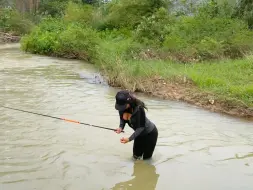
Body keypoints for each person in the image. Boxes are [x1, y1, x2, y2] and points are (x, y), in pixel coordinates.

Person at [114, 90, 158, 160]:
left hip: (150, 134)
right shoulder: (121, 107)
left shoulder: (139, 108)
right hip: (138, 134)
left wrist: (129, 139)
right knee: (135, 158)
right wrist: (120, 127)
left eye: (122, 106)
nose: (120, 108)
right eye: (119, 106)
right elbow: (122, 119)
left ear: (129, 102)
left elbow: (141, 127)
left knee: (146, 160)